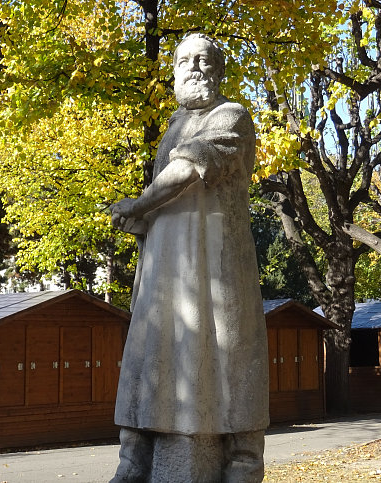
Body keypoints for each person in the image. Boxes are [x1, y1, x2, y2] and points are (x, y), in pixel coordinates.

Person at [109, 33, 269, 483]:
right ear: (175, 71)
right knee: (151, 357)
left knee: (223, 363)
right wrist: (140, 218)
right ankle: (134, 462)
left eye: (203, 60)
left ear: (218, 71)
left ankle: (234, 466)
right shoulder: (173, 126)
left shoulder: (230, 115)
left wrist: (137, 204)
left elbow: (189, 168)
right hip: (165, 271)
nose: (194, 67)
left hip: (214, 262)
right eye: (184, 60)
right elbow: (165, 190)